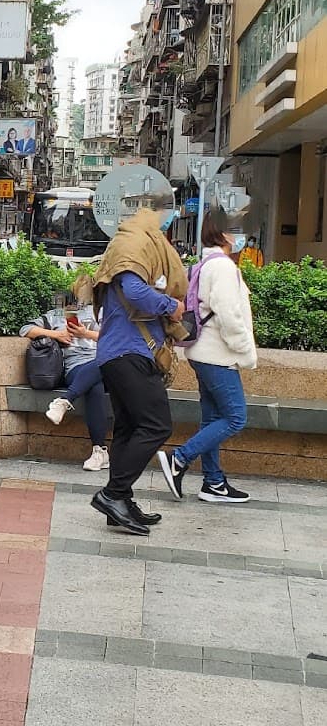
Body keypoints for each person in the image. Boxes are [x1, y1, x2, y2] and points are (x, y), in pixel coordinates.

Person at [89, 207, 188, 535]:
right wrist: (170, 306)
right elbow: (134, 291)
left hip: (120, 353)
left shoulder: (132, 246)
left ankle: (121, 502)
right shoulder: (132, 247)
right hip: (128, 352)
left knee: (130, 429)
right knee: (156, 426)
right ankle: (113, 494)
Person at [157, 216, 257, 505]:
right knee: (235, 417)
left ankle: (213, 483)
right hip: (217, 355)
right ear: (225, 234)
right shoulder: (223, 267)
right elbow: (228, 314)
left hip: (203, 352)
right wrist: (245, 351)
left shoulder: (206, 264)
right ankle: (179, 459)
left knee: (213, 418)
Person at [20, 303, 108, 470]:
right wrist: (56, 334)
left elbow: (115, 338)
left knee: (105, 363)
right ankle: (99, 452)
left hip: (105, 366)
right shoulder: (55, 315)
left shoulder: (99, 311)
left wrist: (85, 333)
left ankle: (65, 400)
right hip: (75, 368)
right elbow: (25, 329)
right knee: (95, 387)